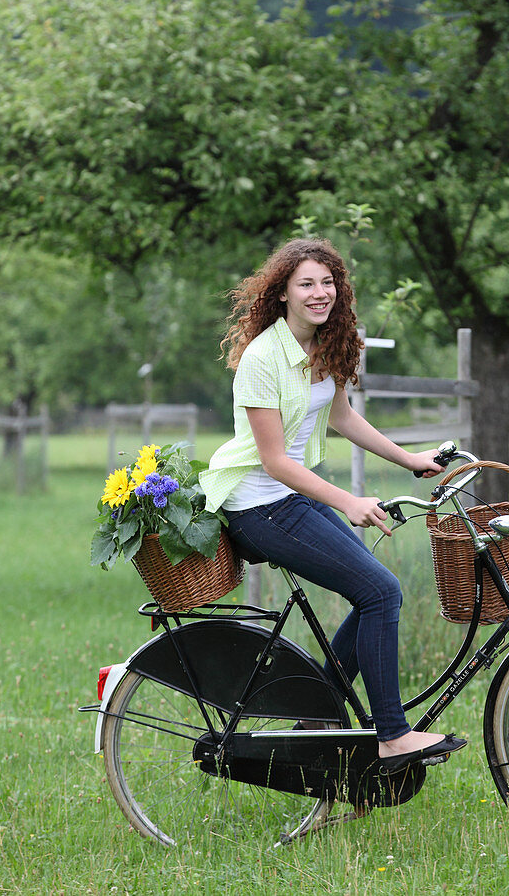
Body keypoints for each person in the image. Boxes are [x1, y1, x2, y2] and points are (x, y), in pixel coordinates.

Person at [200, 238, 466, 773]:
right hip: (258, 506)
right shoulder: (261, 358)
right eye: (306, 284)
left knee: (373, 594)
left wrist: (409, 459)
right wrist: (348, 501)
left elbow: (343, 418)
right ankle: (391, 736)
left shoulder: (326, 345)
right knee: (382, 591)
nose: (320, 293)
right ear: (282, 294)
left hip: (291, 495)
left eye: (328, 283)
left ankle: (313, 722)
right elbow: (274, 461)